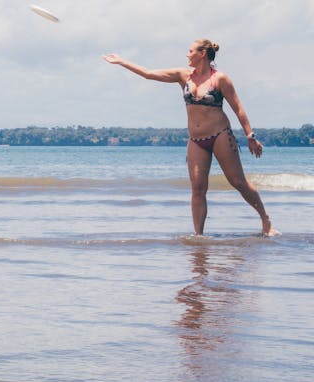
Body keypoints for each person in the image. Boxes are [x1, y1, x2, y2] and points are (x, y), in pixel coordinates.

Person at [104, 40, 273, 236]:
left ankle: (265, 219)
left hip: (220, 135)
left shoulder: (220, 79)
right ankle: (198, 236)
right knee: (198, 189)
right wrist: (122, 61)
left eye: (190, 51)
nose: (187, 55)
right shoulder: (183, 76)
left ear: (202, 54)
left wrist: (250, 136)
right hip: (196, 140)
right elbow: (149, 74)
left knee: (238, 182)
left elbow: (238, 108)